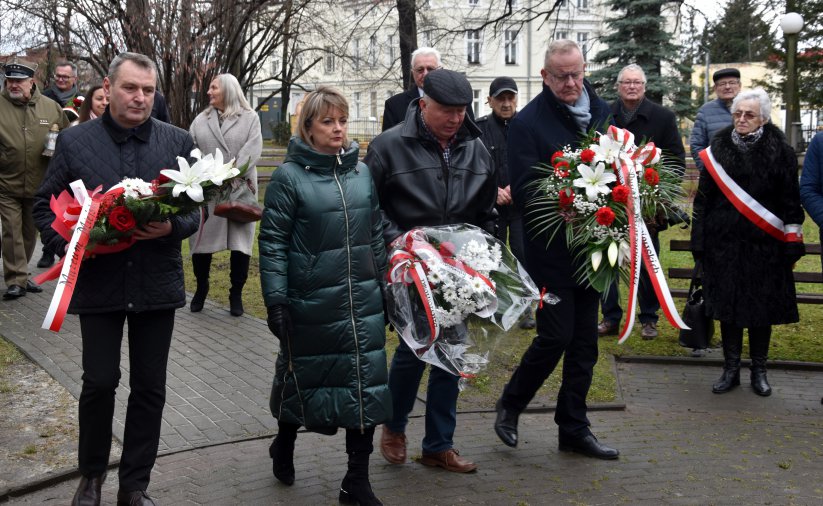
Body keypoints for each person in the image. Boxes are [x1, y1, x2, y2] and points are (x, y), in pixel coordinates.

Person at [33, 52, 198, 506]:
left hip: (156, 284)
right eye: (130, 88)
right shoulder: (75, 142)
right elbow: (43, 203)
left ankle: (134, 485)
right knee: (99, 381)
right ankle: (91, 478)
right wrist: (69, 242)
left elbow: (193, 209)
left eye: (148, 90)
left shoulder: (177, 141)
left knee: (150, 387)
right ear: (108, 87)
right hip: (99, 283)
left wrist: (173, 227)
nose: (139, 98)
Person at [259, 86, 390, 506]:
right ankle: (284, 441)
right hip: (312, 302)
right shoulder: (288, 178)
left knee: (365, 387)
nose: (338, 129)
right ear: (309, 127)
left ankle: (356, 480)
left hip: (362, 301)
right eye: (328, 121)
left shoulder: (362, 173)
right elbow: (273, 243)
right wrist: (276, 301)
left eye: (342, 120)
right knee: (301, 380)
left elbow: (376, 234)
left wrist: (387, 286)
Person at [365, 69, 497, 473]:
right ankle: (395, 426)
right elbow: (369, 208)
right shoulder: (388, 147)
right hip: (409, 267)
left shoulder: (477, 148)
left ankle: (439, 444)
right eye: (446, 110)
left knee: (453, 354)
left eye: (461, 111)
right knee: (414, 350)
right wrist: (403, 245)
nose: (455, 119)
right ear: (423, 104)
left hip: (459, 272)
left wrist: (481, 257)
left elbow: (486, 212)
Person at [493, 40, 619, 460]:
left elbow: (619, 164)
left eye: (576, 73)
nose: (570, 82)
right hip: (552, 249)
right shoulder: (528, 122)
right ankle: (511, 403)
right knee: (556, 335)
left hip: (595, 245)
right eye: (561, 75)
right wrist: (564, 200)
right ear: (545, 76)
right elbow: (526, 185)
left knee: (585, 342)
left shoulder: (603, 111)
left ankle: (574, 427)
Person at [691, 88, 804, 397]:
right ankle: (730, 370)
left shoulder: (780, 150)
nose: (742, 119)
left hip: (764, 244)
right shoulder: (717, 147)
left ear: (763, 119)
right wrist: (698, 241)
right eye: (738, 114)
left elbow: (790, 200)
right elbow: (703, 201)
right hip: (723, 244)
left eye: (749, 115)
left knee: (760, 309)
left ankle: (759, 370)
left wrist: (792, 241)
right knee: (727, 307)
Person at [597, 64, 686, 340]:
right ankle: (610, 316)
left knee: (648, 259)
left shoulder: (663, 117)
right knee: (608, 258)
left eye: (637, 82)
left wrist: (654, 185)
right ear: (618, 86)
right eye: (626, 82)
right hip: (610, 200)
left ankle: (649, 318)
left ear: (644, 87)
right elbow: (593, 150)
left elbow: (675, 160)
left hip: (645, 203)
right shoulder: (603, 115)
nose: (631, 86)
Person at [188, 73, 262, 316]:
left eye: (213, 88)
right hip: (209, 190)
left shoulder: (250, 118)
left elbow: (253, 149)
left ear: (228, 90)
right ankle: (201, 288)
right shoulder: (201, 119)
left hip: (239, 189)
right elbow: (192, 149)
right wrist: (207, 174)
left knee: (240, 245)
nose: (209, 92)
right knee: (201, 243)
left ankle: (236, 294)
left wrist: (231, 171)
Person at [0, 58, 67, 299]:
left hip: (39, 184)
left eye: (19, 81)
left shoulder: (51, 107)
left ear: (32, 82)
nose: (13, 85)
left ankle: (22, 275)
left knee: (30, 234)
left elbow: (67, 139)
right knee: (11, 231)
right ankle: (15, 279)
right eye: (10, 80)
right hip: (6, 184)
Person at [476, 76, 534, 329]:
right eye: (501, 98)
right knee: (492, 259)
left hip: (521, 207)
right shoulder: (478, 130)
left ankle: (526, 307)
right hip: (491, 208)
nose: (507, 103)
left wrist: (516, 186)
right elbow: (474, 167)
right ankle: (494, 307)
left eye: (511, 98)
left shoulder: (527, 126)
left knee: (524, 257)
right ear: (490, 101)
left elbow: (535, 163)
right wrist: (494, 191)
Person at [689, 67, 741, 172]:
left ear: (739, 86)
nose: (727, 87)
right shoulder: (705, 111)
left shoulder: (753, 108)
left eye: (732, 83)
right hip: (716, 177)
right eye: (722, 84)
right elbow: (697, 145)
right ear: (715, 88)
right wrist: (707, 170)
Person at [381, 47, 441, 131]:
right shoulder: (394, 105)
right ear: (413, 73)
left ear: (440, 70)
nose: (425, 74)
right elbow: (387, 142)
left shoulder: (456, 101)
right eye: (420, 70)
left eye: (430, 69)